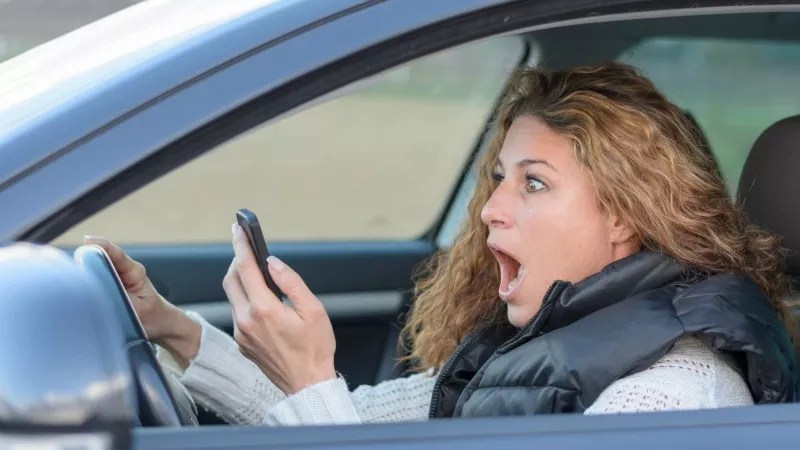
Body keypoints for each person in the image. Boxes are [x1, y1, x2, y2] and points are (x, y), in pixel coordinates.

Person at [85, 61, 799, 426]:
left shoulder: (673, 396)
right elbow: (359, 422)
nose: (490, 209)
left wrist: (309, 383)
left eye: (535, 183)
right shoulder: (553, 346)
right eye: (499, 178)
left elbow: (323, 415)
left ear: (625, 217)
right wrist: (171, 328)